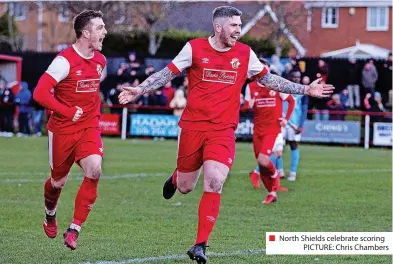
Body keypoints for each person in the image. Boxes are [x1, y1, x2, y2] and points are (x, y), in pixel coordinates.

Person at [118, 6, 333, 263]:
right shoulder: (194, 48)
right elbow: (166, 74)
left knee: (215, 181)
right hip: (193, 128)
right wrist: (139, 90)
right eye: (233, 26)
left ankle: (200, 245)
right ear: (218, 27)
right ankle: (177, 178)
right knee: (187, 187)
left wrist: (305, 89)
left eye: (240, 26)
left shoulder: (244, 53)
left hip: (223, 131)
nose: (238, 31)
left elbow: (270, 80)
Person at [33, 10, 107, 250]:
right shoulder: (63, 61)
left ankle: (74, 228)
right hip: (63, 130)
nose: (105, 32)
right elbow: (40, 93)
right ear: (85, 33)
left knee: (94, 169)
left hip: (88, 127)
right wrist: (66, 111)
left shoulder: (100, 61)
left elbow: (92, 93)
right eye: (100, 28)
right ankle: (50, 213)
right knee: (57, 183)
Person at [245, 59, 295, 203]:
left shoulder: (276, 83)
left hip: (272, 128)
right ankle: (272, 193)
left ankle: (275, 175)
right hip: (257, 129)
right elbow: (245, 107)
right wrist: (248, 106)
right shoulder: (251, 87)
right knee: (261, 163)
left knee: (264, 159)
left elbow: (291, 100)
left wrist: (285, 119)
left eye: (264, 68)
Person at [277, 71, 309, 181]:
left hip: (295, 124)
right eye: (294, 77)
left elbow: (304, 109)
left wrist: (301, 124)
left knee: (293, 145)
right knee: (278, 146)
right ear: (290, 77)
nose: (296, 79)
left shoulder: (304, 91)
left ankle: (293, 173)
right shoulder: (283, 88)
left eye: (298, 77)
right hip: (282, 121)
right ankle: (279, 171)